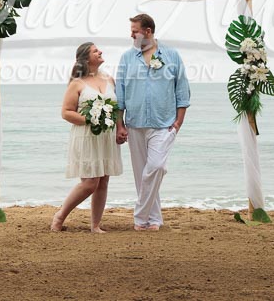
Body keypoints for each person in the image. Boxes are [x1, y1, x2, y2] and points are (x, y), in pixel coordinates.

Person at [115, 13, 190, 231]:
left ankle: (140, 216)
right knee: (142, 176)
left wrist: (178, 122)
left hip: (164, 123)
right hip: (135, 123)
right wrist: (120, 125)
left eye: (135, 31)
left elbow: (182, 90)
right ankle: (153, 219)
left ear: (147, 31)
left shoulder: (172, 56)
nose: (131, 35)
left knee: (156, 167)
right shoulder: (127, 58)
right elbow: (120, 94)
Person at [51, 42, 122, 233]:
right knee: (90, 183)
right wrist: (90, 119)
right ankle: (59, 217)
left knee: (103, 181)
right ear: (86, 58)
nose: (100, 51)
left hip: (106, 137)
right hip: (86, 137)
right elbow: (66, 112)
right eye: (95, 51)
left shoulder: (109, 79)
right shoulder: (77, 83)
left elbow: (117, 108)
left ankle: (95, 225)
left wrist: (120, 128)